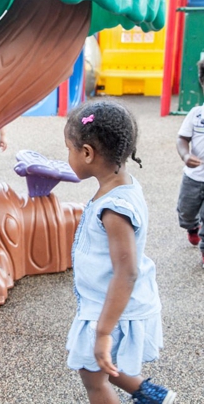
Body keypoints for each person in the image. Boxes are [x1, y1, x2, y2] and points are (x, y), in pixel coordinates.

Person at [64, 100, 176, 403]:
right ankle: (149, 394)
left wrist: (103, 332)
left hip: (112, 308)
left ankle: (146, 393)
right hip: (109, 302)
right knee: (102, 366)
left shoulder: (114, 209)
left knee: (93, 376)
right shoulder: (121, 186)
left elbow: (126, 272)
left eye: (69, 149)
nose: (68, 156)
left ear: (87, 153)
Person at [176, 59, 204, 266]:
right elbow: (182, 139)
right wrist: (185, 156)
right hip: (193, 178)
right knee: (186, 212)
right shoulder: (196, 114)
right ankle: (191, 226)